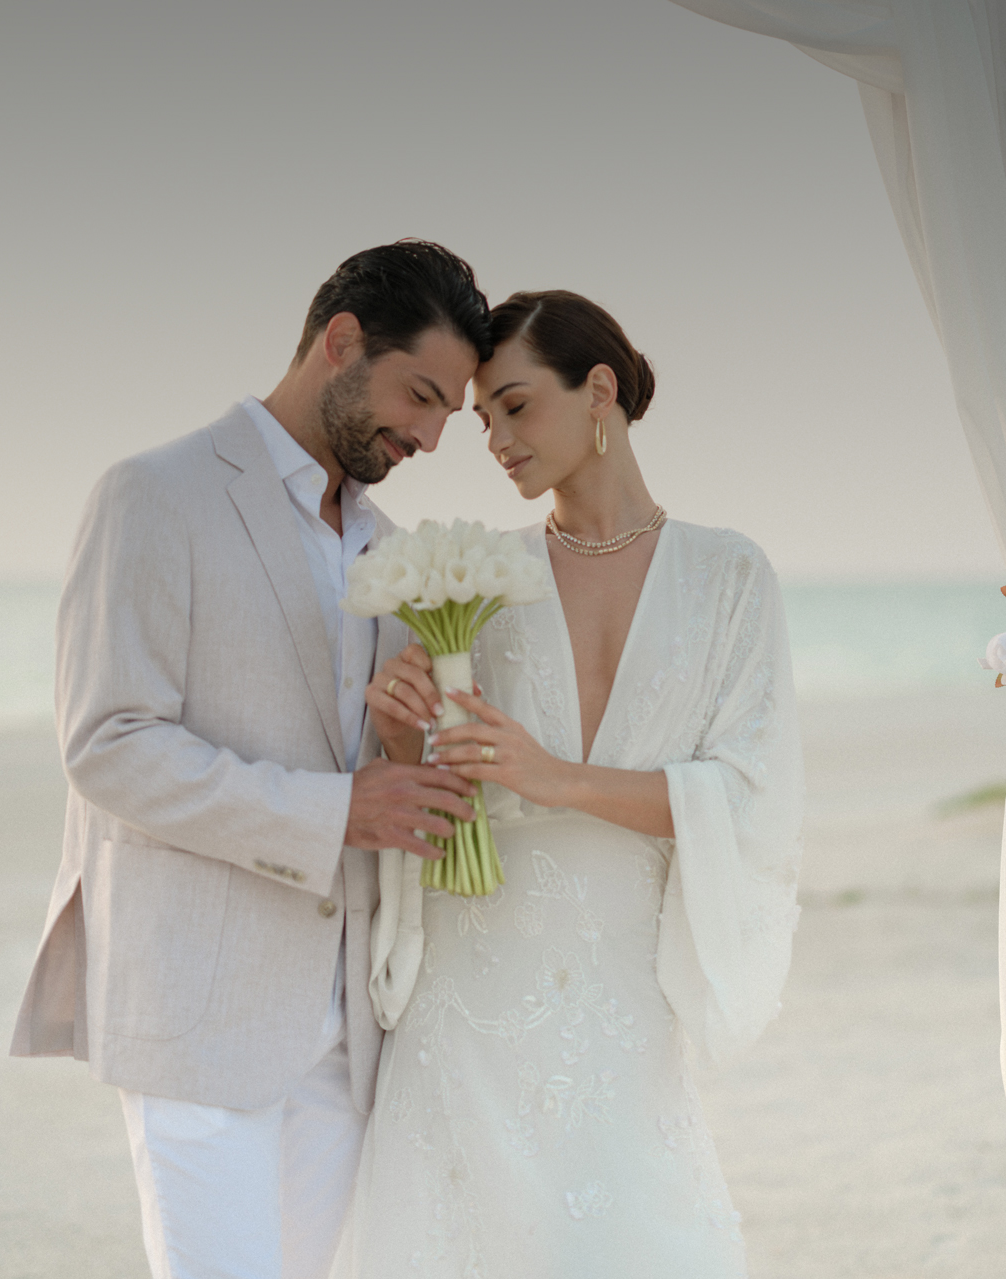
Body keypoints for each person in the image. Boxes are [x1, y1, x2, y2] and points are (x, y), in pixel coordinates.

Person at [9, 240, 494, 1279]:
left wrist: (411, 736)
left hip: (344, 1026)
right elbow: (109, 745)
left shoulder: (388, 546)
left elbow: (363, 759)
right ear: (340, 342)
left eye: (446, 414)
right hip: (201, 1006)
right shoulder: (154, 494)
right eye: (418, 396)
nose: (425, 435)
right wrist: (337, 813)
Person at [335, 291, 805, 1277]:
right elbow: (425, 797)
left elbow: (746, 796)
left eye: (514, 405)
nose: (496, 440)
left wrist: (557, 778)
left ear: (599, 390)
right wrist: (396, 729)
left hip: (620, 992)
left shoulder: (728, 577)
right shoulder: (468, 580)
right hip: (467, 991)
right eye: (480, 422)